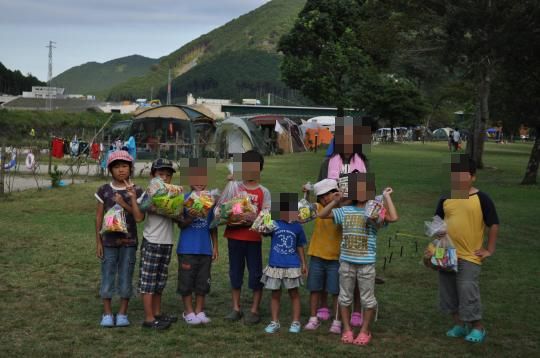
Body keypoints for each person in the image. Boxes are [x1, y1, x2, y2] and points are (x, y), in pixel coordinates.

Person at [318, 172, 399, 346]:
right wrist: (336, 200)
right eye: (357, 188)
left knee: (367, 299)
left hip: (366, 264)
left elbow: (394, 218)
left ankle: (364, 330)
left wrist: (386, 197)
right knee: (345, 298)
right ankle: (347, 329)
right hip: (346, 262)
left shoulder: (375, 212)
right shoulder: (345, 211)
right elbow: (322, 215)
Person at [431, 154, 499, 343]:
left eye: (463, 175)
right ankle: (459, 324)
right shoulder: (446, 197)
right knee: (449, 291)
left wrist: (489, 249)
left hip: (470, 255)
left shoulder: (482, 198)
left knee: (467, 290)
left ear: (473, 176)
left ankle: (478, 327)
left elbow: (493, 224)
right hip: (445, 253)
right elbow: (437, 221)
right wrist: (436, 234)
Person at [95, 150, 144, 327]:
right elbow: (99, 217)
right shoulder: (104, 190)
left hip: (129, 242)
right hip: (108, 242)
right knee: (107, 274)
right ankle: (107, 313)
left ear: (130, 168)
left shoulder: (136, 190)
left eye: (124, 166)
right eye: (116, 167)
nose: (121, 170)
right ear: (110, 170)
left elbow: (139, 218)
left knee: (126, 275)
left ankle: (123, 313)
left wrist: (127, 202)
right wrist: (98, 241)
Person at [223, 150, 271, 324]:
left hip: (253, 239)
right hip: (235, 237)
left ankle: (254, 309)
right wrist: (237, 215)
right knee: (235, 272)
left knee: (255, 274)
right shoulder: (235, 187)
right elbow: (224, 210)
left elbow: (266, 217)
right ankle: (236, 308)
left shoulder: (264, 192)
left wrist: (255, 217)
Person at [177, 159, 219, 325]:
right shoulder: (184, 199)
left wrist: (215, 246)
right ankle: (188, 311)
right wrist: (191, 215)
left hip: (205, 250)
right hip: (187, 249)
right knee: (186, 282)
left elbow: (213, 226)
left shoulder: (211, 200)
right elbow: (180, 224)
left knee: (203, 282)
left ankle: (200, 310)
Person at [138, 158, 178, 330]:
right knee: (148, 282)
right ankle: (149, 318)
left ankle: (158, 313)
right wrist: (158, 206)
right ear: (152, 175)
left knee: (160, 281)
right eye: (161, 174)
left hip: (166, 242)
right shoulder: (149, 192)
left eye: (168, 175)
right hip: (152, 241)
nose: (164, 178)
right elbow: (142, 207)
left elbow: (177, 213)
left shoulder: (172, 193)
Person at [261, 193, 307, 334]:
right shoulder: (274, 223)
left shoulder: (298, 227)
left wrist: (303, 263)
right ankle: (275, 322)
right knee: (275, 294)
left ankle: (296, 322)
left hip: (292, 265)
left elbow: (300, 246)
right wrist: (267, 213)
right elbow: (264, 231)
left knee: (294, 294)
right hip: (275, 265)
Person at [303, 179, 343, 334]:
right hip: (317, 255)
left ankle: (337, 320)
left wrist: (338, 201)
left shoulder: (342, 210)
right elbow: (303, 214)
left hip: (336, 257)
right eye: (322, 196)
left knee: (336, 291)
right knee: (314, 288)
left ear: (336, 193)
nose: (325, 198)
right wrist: (305, 195)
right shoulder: (319, 207)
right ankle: (313, 318)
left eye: (329, 194)